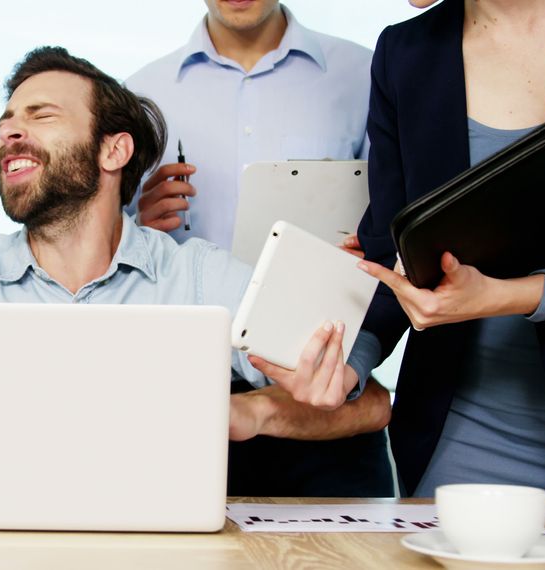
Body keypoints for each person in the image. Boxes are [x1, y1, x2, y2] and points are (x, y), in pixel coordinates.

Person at [0, 46, 385, 483]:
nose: (10, 132)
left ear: (114, 150)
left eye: (41, 115)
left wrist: (251, 412)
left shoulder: (200, 278)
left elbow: (368, 399)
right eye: (6, 122)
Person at [124, 0, 393, 497]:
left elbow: (395, 231)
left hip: (323, 399)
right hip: (184, 404)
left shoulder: (365, 74)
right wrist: (137, 220)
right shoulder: (141, 92)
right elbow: (106, 250)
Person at [355, 0, 545, 497]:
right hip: (459, 435)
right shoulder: (404, 52)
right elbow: (391, 245)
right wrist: (349, 361)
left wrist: (518, 295)